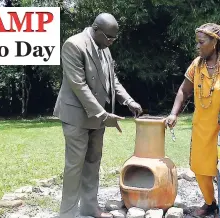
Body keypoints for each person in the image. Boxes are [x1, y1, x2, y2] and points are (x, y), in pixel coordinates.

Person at [53, 13, 143, 218]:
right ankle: (66, 213)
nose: (111, 42)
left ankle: (89, 206)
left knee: (93, 163)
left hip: (97, 116)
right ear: (95, 29)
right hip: (76, 116)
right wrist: (103, 115)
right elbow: (79, 86)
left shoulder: (104, 49)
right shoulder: (74, 45)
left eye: (114, 38)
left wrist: (128, 101)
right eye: (109, 37)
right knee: (75, 166)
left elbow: (113, 79)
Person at [166, 23, 220, 216]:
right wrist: (174, 113)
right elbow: (183, 90)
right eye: (197, 42)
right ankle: (210, 202)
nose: (197, 46)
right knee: (200, 169)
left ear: (214, 42)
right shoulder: (196, 65)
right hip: (202, 128)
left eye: (201, 42)